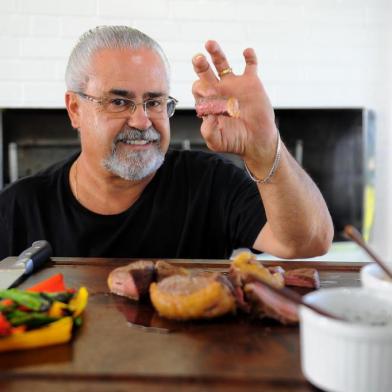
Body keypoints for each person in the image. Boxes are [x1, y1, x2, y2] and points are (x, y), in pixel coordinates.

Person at [0, 26, 333, 259]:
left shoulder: (210, 183)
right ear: (75, 109)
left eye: (155, 101)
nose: (143, 121)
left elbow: (309, 242)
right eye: (119, 102)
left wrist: (264, 144)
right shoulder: (19, 207)